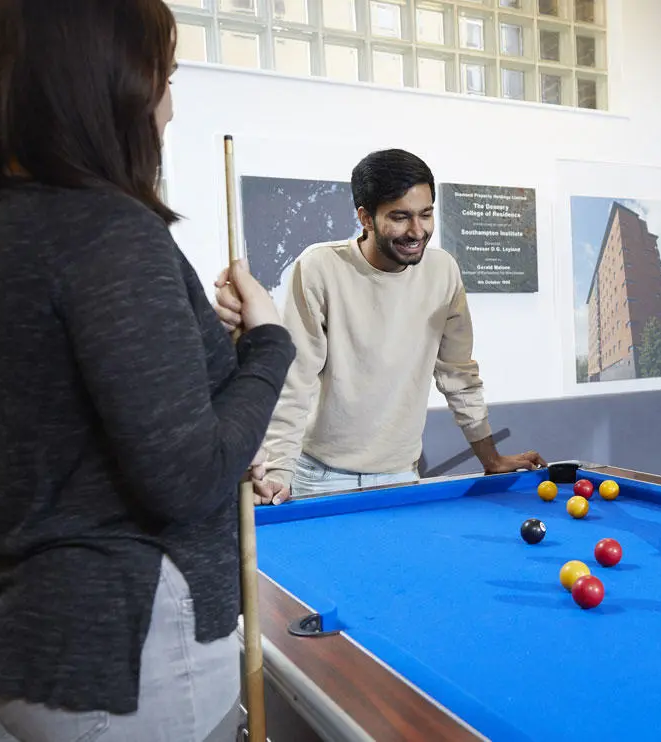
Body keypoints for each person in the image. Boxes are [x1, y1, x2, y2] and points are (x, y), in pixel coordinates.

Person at [0, 2, 295, 740]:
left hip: (24, 636)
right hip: (127, 649)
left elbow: (78, 419)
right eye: (160, 78)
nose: (167, 107)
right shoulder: (107, 230)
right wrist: (268, 347)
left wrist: (210, 369)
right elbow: (186, 480)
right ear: (108, 84)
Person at [215, 149, 545, 503]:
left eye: (426, 214)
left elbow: (459, 375)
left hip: (402, 474)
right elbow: (296, 380)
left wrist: (490, 458)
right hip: (320, 477)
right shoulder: (319, 267)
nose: (417, 230)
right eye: (400, 217)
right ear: (366, 218)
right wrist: (280, 471)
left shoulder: (443, 271)